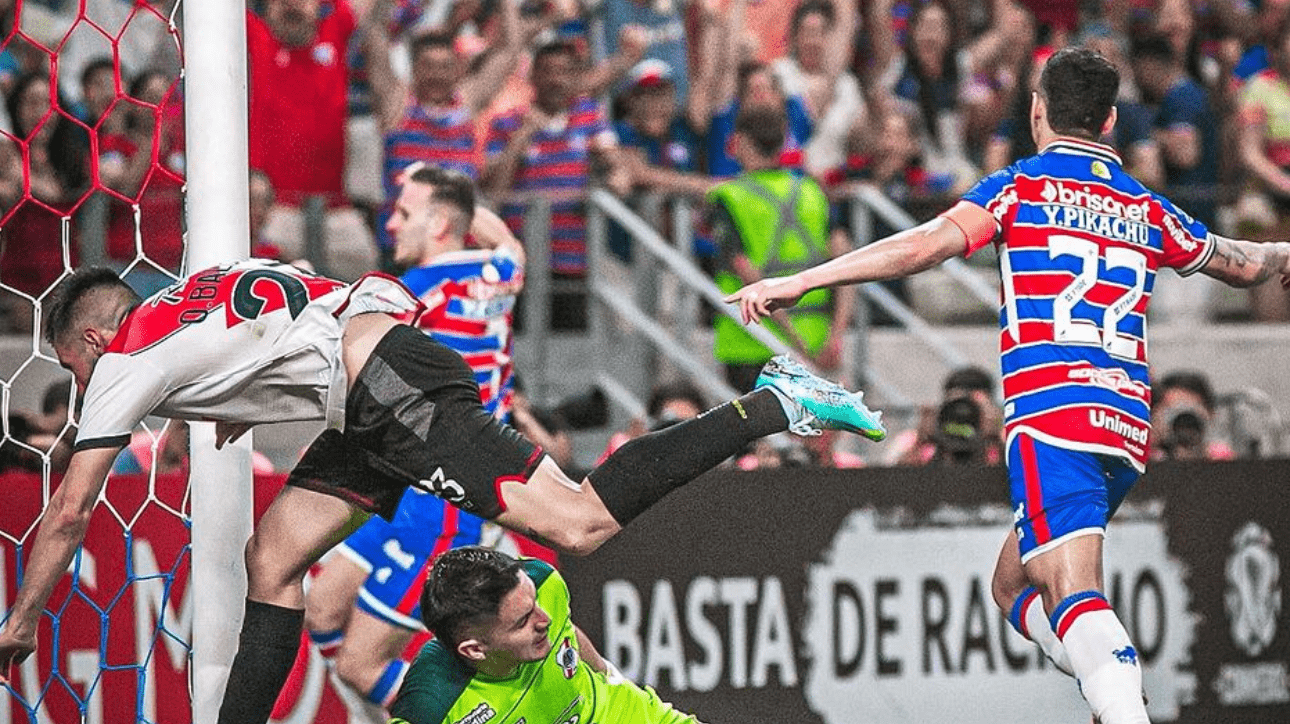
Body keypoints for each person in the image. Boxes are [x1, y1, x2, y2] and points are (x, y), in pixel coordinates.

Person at [0, 187, 886, 724]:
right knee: (271, 558)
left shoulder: (121, 358)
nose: (82, 384)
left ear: (94, 337)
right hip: (367, 387)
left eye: (75, 364)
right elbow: (299, 283)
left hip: (390, 389)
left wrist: (22, 622)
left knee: (577, 525)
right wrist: (237, 403)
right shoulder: (192, 292)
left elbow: (71, 512)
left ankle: (776, 398)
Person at [726, 47, 1290, 724]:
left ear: (1037, 110)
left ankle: (1120, 704)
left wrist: (802, 279)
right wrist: (1283, 253)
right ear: (1109, 120)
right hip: (1128, 426)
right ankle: (1108, 687)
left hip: (1055, 414)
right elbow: (1240, 262)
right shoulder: (1145, 205)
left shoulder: (1019, 188)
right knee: (1011, 584)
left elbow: (920, 247)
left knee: (1070, 587)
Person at [302, 164, 536, 717]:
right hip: (415, 483)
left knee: (361, 665)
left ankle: (477, 715)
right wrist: (450, 189)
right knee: (319, 612)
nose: (390, 225)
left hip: (440, 497)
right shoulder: (501, 271)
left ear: (436, 224)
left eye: (404, 213)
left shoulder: (416, 296)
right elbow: (509, 242)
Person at [387, 546, 700, 724]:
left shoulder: (544, 579)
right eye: (523, 621)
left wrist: (608, 674)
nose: (545, 619)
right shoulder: (430, 705)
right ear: (475, 649)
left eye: (535, 601)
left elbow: (567, 628)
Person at [707, 104, 851, 391]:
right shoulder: (811, 190)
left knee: (758, 435)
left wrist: (794, 340)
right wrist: (835, 336)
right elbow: (844, 260)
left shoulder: (728, 196)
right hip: (817, 338)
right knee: (809, 432)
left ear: (742, 142)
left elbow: (745, 270)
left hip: (750, 343)